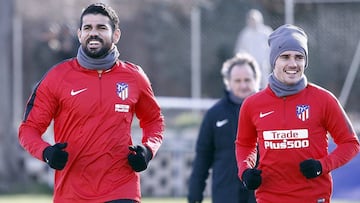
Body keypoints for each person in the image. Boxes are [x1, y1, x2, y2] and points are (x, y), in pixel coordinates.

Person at [18, 3, 164, 203]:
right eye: (88, 28)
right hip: (72, 194)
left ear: (116, 35)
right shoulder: (57, 77)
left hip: (121, 189)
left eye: (101, 28)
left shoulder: (134, 77)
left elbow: (154, 121)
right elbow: (28, 129)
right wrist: (46, 152)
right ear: (79, 34)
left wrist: (148, 150)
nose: (93, 33)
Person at [235, 24, 360, 203]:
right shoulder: (252, 104)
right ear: (274, 61)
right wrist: (245, 170)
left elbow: (350, 143)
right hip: (269, 198)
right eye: (285, 57)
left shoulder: (323, 99)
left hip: (313, 197)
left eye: (299, 57)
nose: (293, 64)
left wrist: (321, 165)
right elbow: (244, 144)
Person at [188, 53, 261, 203]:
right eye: (238, 80)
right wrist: (195, 192)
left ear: (256, 80)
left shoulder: (268, 111)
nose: (243, 85)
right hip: (226, 193)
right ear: (228, 82)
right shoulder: (214, 114)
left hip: (261, 194)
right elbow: (203, 156)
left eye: (247, 80)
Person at [234, 9, 273, 89]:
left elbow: (272, 46)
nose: (252, 21)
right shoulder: (245, 34)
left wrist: (269, 60)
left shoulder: (266, 32)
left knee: (265, 83)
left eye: (254, 19)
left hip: (264, 64)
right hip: (250, 65)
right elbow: (240, 49)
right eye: (250, 19)